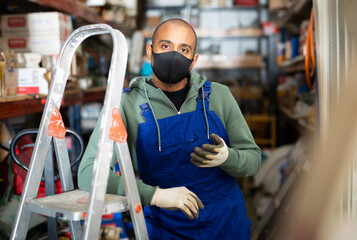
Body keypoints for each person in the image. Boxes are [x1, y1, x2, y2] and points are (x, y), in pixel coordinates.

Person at [78, 18, 261, 239]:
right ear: (149, 50)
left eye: (183, 49)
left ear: (193, 61)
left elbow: (253, 160)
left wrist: (228, 158)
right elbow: (89, 173)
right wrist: (154, 195)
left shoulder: (219, 96)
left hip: (226, 224)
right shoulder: (125, 104)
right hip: (165, 228)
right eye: (166, 46)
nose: (174, 55)